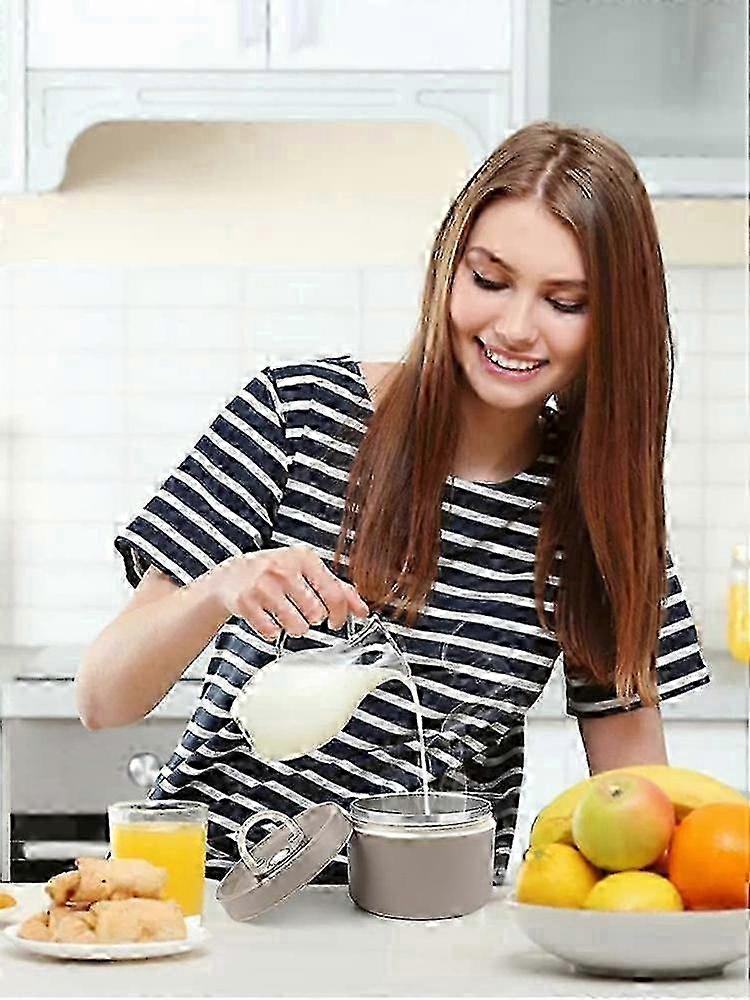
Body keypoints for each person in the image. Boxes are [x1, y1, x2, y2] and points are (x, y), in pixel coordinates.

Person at [76, 120, 710, 886]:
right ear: (448, 270)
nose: (514, 327)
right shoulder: (296, 415)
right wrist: (219, 587)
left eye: (564, 301)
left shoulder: (593, 516)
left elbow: (635, 800)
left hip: (425, 921)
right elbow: (103, 698)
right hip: (213, 905)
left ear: (612, 321)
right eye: (489, 280)